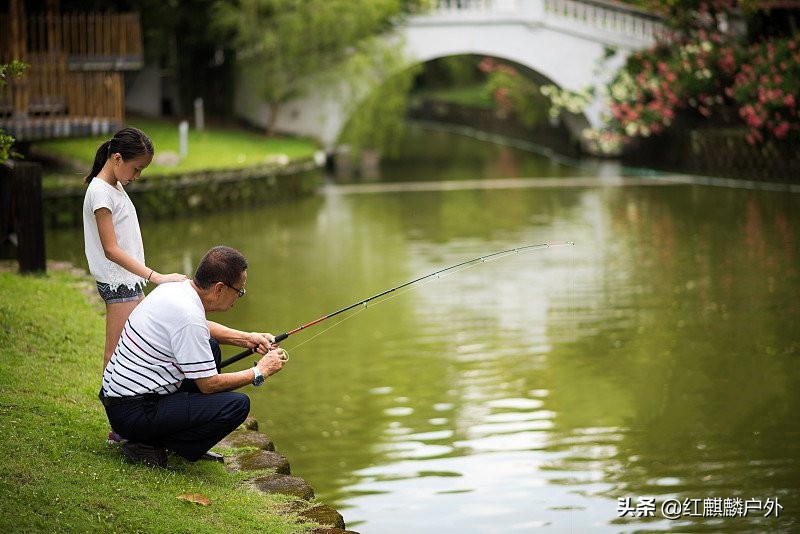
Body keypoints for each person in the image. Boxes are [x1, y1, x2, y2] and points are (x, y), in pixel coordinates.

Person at [99, 245, 287, 468]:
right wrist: (259, 372)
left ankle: (170, 438)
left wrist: (247, 338)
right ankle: (148, 445)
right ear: (219, 289)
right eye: (239, 290)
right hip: (133, 413)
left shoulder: (178, 290)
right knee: (237, 405)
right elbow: (208, 385)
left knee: (211, 346)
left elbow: (201, 327)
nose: (239, 296)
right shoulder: (188, 315)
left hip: (121, 400)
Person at [83, 127, 187, 375]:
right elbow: (110, 250)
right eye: (137, 168)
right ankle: (115, 411)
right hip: (117, 284)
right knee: (115, 352)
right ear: (117, 158)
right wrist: (156, 276)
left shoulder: (114, 186)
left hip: (128, 283)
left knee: (141, 344)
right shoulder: (100, 192)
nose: (138, 175)